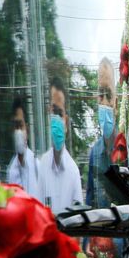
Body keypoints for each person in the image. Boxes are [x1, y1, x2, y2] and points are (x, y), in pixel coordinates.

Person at [35, 77, 84, 212]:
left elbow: (78, 223)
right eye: (53, 111)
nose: (56, 118)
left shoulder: (73, 171)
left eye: (60, 113)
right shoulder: (41, 166)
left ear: (66, 122)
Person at [86, 59, 118, 208]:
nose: (104, 103)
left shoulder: (126, 149)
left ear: (116, 103)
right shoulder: (95, 153)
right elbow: (91, 201)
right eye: (101, 95)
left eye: (109, 95)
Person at [6, 97, 38, 193]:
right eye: (15, 126)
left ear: (27, 130)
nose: (18, 131)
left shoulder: (37, 166)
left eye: (20, 125)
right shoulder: (11, 171)